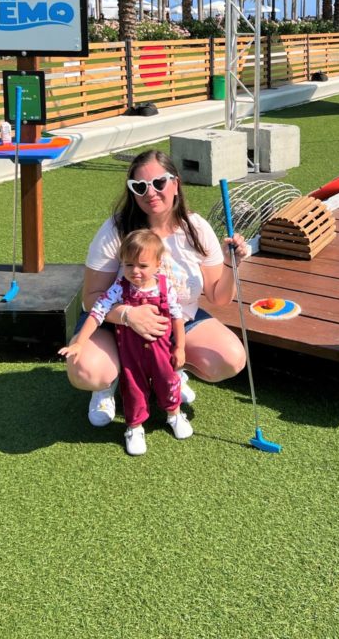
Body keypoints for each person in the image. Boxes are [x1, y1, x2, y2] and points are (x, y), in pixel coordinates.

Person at [64, 149, 248, 431]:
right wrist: (129, 315)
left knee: (230, 359)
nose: (150, 192)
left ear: (175, 183)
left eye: (159, 183)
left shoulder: (196, 228)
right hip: (115, 324)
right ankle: (108, 384)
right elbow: (91, 300)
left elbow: (218, 297)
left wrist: (230, 264)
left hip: (177, 321)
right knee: (86, 370)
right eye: (140, 186)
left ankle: (170, 370)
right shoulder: (116, 229)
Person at [60, 229, 191, 455]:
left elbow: (177, 315)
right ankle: (134, 427)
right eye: (129, 265)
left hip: (161, 352)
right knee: (133, 389)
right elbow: (97, 312)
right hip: (131, 354)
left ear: (158, 264)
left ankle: (174, 414)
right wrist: (80, 342)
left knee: (167, 380)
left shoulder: (164, 286)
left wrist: (179, 347)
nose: (135, 271)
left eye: (143, 265)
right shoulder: (119, 288)